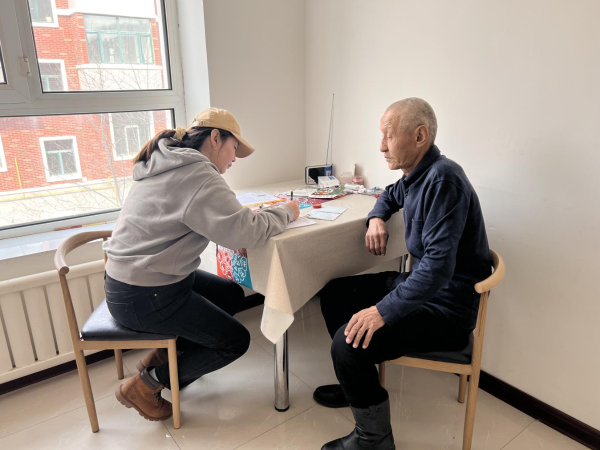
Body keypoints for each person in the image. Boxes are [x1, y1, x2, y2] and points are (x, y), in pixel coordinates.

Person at [103, 107, 300, 422]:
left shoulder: (167, 161)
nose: (234, 159)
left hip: (133, 282)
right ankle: (145, 384)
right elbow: (246, 233)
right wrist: (288, 210)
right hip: (145, 293)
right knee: (234, 342)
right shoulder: (197, 174)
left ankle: (165, 357)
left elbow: (220, 222)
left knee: (231, 295)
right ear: (216, 138)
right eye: (234, 148)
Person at [316, 98, 492, 450]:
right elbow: (389, 194)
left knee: (346, 345)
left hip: (446, 310)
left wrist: (381, 311)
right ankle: (357, 382)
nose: (381, 146)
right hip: (421, 288)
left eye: (389, 135)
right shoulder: (417, 175)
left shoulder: (444, 179)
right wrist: (376, 218)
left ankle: (374, 439)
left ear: (420, 136)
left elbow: (438, 269)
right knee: (335, 293)